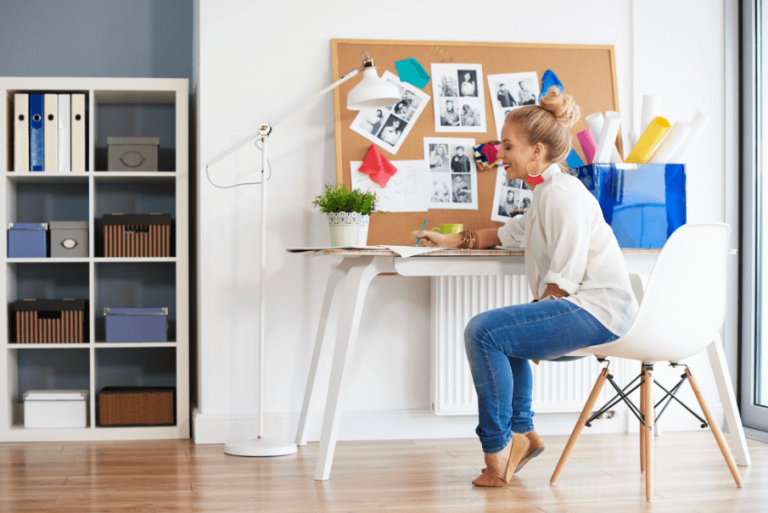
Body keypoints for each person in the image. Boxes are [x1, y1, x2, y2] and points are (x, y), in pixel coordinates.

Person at [411, 86, 639, 488]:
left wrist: (535, 332)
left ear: (537, 152)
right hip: (591, 309)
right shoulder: (545, 196)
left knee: (484, 331)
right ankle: (523, 434)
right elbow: (501, 235)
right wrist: (451, 239)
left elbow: (563, 282)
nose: (500, 153)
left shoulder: (562, 197)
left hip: (597, 310)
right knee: (501, 332)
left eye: (507, 145)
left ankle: (499, 450)